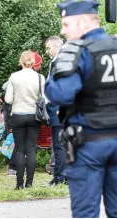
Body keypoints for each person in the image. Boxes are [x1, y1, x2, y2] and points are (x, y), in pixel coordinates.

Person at [45, 0, 117, 217]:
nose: (63, 32)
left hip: (88, 142)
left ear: (83, 23)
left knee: (86, 212)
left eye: (66, 25)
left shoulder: (78, 52)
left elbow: (60, 94)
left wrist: (54, 77)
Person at [4, 50, 45, 189]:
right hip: (34, 116)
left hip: (18, 115)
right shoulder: (40, 77)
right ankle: (30, 183)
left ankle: (19, 183)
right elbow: (45, 98)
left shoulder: (14, 77)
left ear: (21, 61)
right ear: (33, 62)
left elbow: (8, 99)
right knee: (31, 149)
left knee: (20, 149)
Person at [44, 36, 67, 186]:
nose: (47, 51)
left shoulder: (60, 63)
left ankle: (59, 177)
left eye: (48, 48)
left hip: (59, 108)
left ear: (57, 47)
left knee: (59, 145)